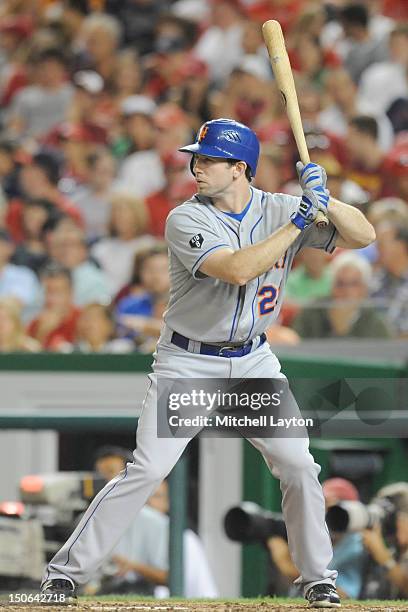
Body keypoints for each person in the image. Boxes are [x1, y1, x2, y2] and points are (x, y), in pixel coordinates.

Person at [41, 118, 376, 607]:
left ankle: (318, 578)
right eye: (195, 158)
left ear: (240, 168)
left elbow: (363, 235)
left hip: (253, 360)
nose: (196, 168)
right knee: (147, 469)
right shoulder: (186, 217)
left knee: (298, 465)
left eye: (208, 160)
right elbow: (238, 269)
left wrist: (328, 199)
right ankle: (65, 574)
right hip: (189, 361)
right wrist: (300, 223)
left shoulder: (281, 207)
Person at [292, 251, 392, 339]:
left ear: (364, 289)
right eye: (340, 284)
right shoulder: (312, 312)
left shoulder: (375, 321)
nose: (346, 290)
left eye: (353, 284)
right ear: (332, 287)